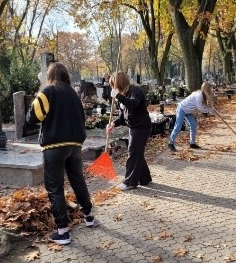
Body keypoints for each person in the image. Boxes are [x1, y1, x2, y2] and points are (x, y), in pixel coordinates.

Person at [25, 62, 97, 244]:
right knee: (78, 180)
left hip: (54, 146)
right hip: (74, 145)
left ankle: (63, 231)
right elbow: (82, 118)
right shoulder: (73, 94)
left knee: (55, 187)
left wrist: (38, 96)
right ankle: (89, 216)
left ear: (49, 75)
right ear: (66, 75)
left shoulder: (47, 92)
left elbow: (33, 117)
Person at [106, 70, 152, 191]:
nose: (112, 87)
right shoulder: (123, 95)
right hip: (134, 127)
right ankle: (145, 178)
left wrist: (118, 96)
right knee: (137, 153)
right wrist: (113, 123)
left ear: (120, 84)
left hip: (142, 127)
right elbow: (123, 116)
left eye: (114, 85)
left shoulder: (134, 91)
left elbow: (134, 104)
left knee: (133, 153)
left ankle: (130, 182)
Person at [168, 81, 216, 152]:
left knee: (193, 125)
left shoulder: (203, 95)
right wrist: (209, 110)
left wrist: (209, 107)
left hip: (188, 111)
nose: (211, 90)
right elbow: (200, 109)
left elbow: (204, 106)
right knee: (178, 127)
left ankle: (192, 143)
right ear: (206, 89)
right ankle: (170, 143)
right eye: (210, 89)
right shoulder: (199, 96)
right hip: (182, 108)